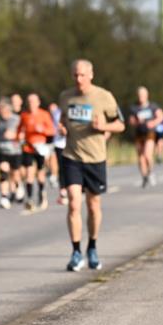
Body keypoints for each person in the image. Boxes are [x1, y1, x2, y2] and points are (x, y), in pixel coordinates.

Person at [58, 59, 125, 271]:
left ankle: (92, 247)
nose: (78, 79)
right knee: (74, 204)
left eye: (82, 75)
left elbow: (120, 124)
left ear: (91, 75)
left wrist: (103, 126)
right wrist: (61, 127)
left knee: (93, 206)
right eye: (75, 75)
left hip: (95, 157)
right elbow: (62, 118)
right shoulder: (65, 97)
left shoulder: (104, 96)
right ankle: (76, 251)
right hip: (72, 156)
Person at [18, 93, 56, 210]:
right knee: (29, 173)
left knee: (40, 173)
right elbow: (19, 130)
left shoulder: (44, 114)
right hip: (28, 147)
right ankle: (29, 199)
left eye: (33, 101)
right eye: (29, 102)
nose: (31, 104)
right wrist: (19, 136)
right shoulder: (24, 115)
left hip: (41, 148)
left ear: (38, 102)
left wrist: (42, 130)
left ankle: (41, 193)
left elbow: (52, 131)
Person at [127, 86, 163, 188]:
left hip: (150, 133)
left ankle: (151, 172)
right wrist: (136, 122)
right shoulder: (134, 107)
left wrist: (153, 123)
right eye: (139, 95)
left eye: (143, 95)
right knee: (141, 158)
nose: (141, 97)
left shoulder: (153, 106)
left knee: (147, 155)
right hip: (139, 133)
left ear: (146, 95)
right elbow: (130, 121)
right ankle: (144, 176)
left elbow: (161, 116)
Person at [0, 98, 22, 210]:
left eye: (4, 109)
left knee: (15, 174)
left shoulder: (16, 119)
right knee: (4, 173)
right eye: (0, 109)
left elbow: (23, 134)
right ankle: (4, 197)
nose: (2, 112)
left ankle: (18, 187)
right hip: (2, 151)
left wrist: (14, 135)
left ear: (9, 109)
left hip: (15, 151)